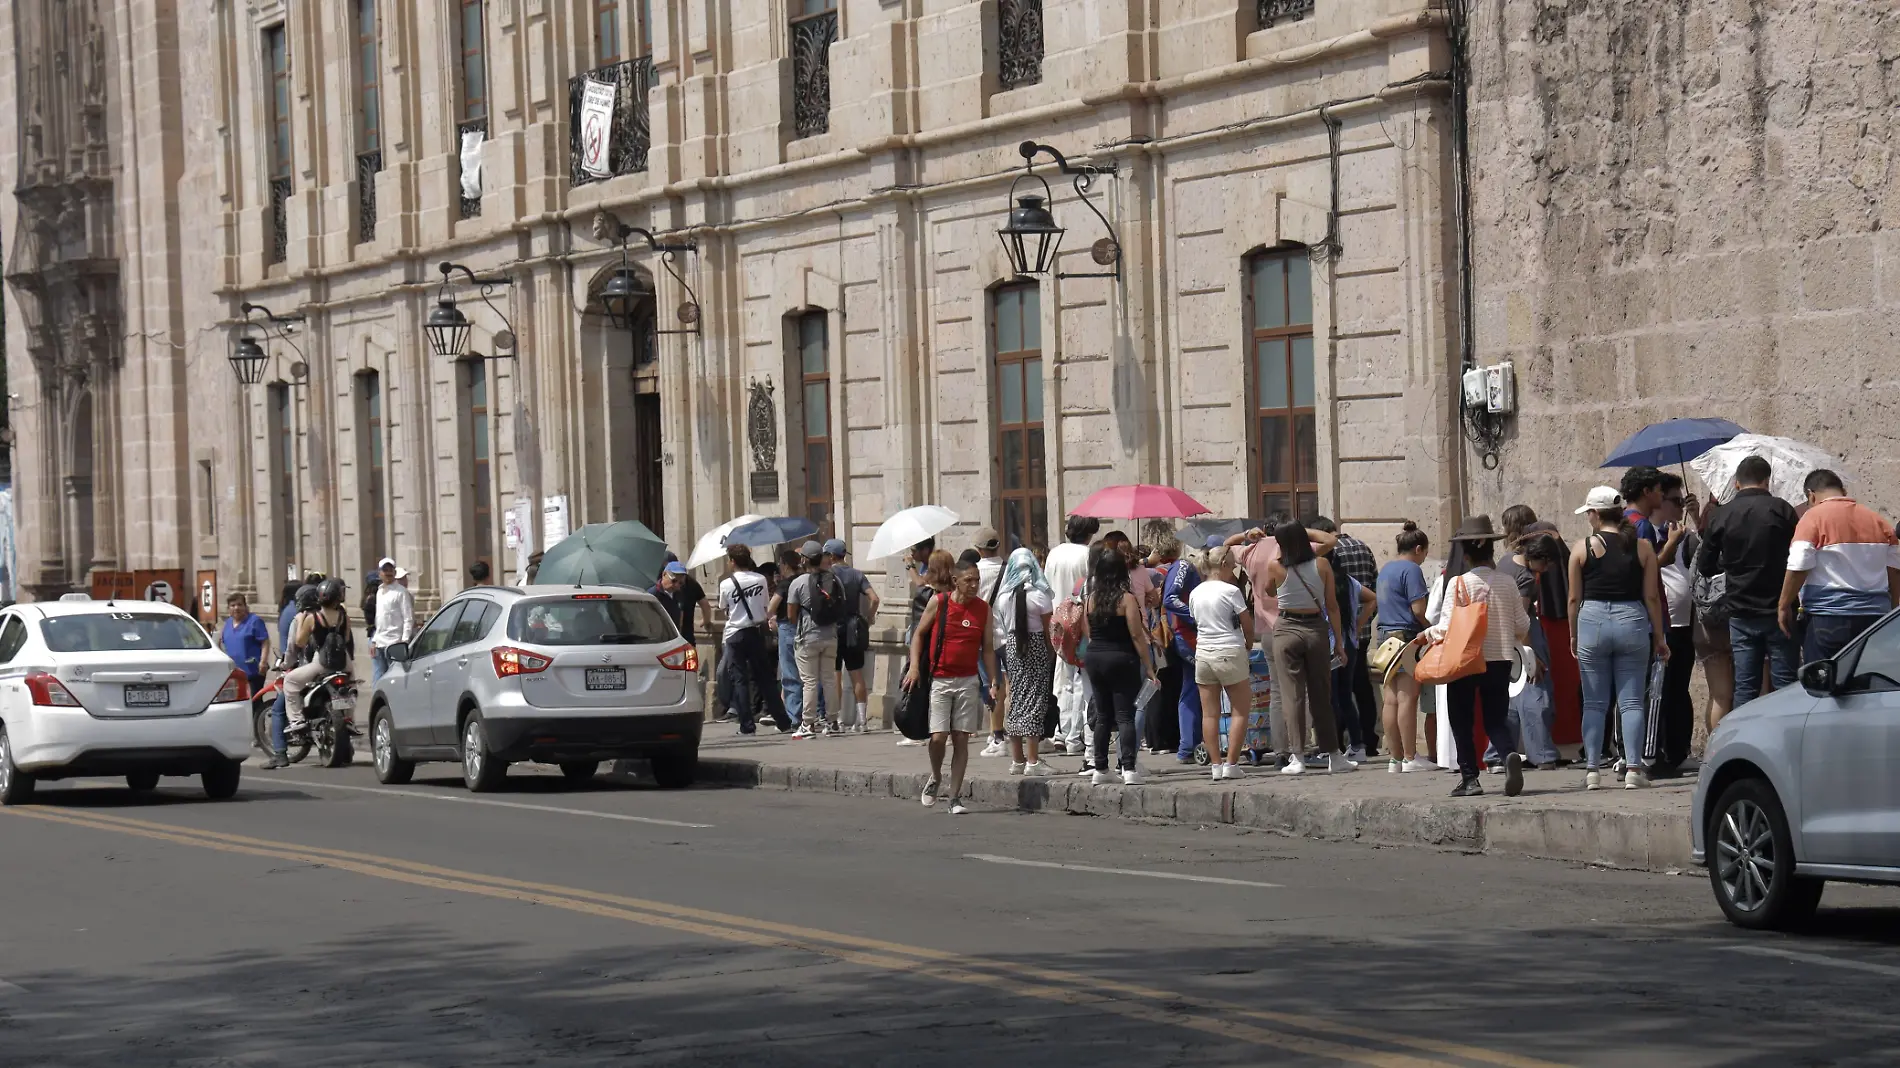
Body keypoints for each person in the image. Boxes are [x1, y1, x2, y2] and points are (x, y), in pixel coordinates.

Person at [1568, 486, 1669, 791]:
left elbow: (1574, 598)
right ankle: (1634, 769)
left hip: (1593, 621)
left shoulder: (1581, 548)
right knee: (1632, 702)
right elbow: (1651, 596)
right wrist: (1660, 638)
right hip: (1632, 621)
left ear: (1596, 515)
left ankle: (1592, 771)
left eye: (1588, 513)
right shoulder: (1643, 548)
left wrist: (1573, 634)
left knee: (1595, 703)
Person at [1427, 517, 1532, 797]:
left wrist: (1427, 636)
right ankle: (1508, 753)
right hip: (1500, 659)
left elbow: (1446, 626)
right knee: (1495, 719)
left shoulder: (1458, 584)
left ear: (1466, 554)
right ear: (1491, 551)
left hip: (1465, 661)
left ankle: (1470, 779)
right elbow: (1523, 625)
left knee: (1461, 719)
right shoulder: (1508, 583)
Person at [1696, 455, 1798, 708]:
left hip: (1741, 611)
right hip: (1780, 608)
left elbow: (1706, 566)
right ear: (1767, 481)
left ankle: (1743, 741)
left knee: (1746, 685)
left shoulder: (1721, 515)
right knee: (1786, 683)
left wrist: (1729, 564)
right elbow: (1800, 557)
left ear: (1737, 483)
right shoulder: (1783, 509)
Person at [904, 557, 996, 815]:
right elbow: (919, 634)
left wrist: (992, 681)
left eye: (977, 580)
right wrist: (913, 667)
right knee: (938, 738)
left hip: (968, 681)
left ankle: (954, 797)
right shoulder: (940, 602)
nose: (975, 585)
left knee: (961, 739)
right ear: (955, 581)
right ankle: (935, 776)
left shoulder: (983, 609)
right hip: (941, 679)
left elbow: (987, 649)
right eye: (969, 580)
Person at [1780, 469, 1900, 664]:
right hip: (1875, 618)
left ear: (1811, 495)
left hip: (1829, 617)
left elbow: (1799, 565)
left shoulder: (1812, 518)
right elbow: (1895, 570)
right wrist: (1894, 608)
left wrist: (1784, 605)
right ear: (1843, 491)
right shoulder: (1877, 520)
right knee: (1867, 683)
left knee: (1824, 685)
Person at [1263, 521, 1354, 775]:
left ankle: (1298, 757)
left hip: (1286, 628)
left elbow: (1268, 590)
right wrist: (1340, 643)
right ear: (1305, 538)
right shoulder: (1322, 564)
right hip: (1315, 628)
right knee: (1321, 695)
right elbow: (1332, 606)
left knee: (1292, 696)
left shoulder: (1275, 566)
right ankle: (1334, 755)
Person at [1081, 547, 1155, 785]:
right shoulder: (1127, 599)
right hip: (1122, 657)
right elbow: (1136, 635)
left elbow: (1089, 632)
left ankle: (1100, 768)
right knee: (1125, 716)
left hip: (1095, 657)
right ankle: (1129, 768)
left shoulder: (1091, 599)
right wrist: (1149, 665)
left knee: (1102, 715)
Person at [1308, 517, 1377, 760]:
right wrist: (1358, 625)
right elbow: (1372, 599)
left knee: (1330, 698)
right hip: (1350, 642)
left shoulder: (1319, 582)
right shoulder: (1349, 581)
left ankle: (1332, 747)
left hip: (1330, 643)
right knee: (1346, 695)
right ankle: (1356, 745)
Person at [1189, 546, 1254, 780]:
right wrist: (1247, 644)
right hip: (1229, 650)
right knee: (1240, 710)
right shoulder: (1231, 591)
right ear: (1224, 565)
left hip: (1203, 653)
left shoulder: (1196, 592)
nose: (1235, 568)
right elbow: (1247, 624)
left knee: (1209, 714)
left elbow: (1196, 620)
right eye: (1233, 564)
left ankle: (1215, 765)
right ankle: (1231, 764)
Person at [1375, 522, 1433, 772]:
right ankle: (1411, 756)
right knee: (1407, 697)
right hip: (1406, 637)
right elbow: (1419, 609)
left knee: (1390, 700)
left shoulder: (1386, 569)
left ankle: (1395, 758)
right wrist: (1431, 628)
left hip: (1385, 638)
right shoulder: (1411, 570)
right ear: (1418, 549)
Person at [1651, 478, 1699, 775]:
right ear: (1659, 501)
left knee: (1679, 689)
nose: (1680, 506)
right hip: (1663, 624)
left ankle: (1679, 751)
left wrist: (1694, 518)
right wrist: (1671, 543)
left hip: (1684, 623)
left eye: (1683, 501)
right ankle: (1657, 754)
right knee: (1660, 691)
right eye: (1676, 501)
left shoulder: (1683, 534)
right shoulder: (1649, 534)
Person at [996, 546, 1057, 775]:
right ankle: (1033, 761)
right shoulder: (1040, 595)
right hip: (1036, 646)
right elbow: (1047, 628)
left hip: (1013, 646)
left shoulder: (1003, 597)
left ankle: (1018, 760)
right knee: (1035, 699)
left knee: (1017, 697)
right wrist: (1050, 652)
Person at [718, 547, 791, 734]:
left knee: (740, 680)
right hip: (756, 631)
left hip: (735, 633)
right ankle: (783, 721)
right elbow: (765, 605)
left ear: (733, 561)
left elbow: (723, 607)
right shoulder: (760, 579)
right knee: (765, 678)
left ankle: (747, 726)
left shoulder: (727, 583)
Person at [1044, 516, 1097, 759]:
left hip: (1057, 621)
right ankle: (1077, 735)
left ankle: (1062, 732)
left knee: (1062, 680)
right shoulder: (1087, 555)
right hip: (1079, 620)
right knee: (1080, 681)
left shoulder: (1054, 553)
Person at [283, 578, 356, 744]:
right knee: (351, 688)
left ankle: (296, 720)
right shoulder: (344, 616)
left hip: (321, 663)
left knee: (290, 682)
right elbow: (345, 639)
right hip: (344, 662)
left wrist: (301, 620)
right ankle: (349, 719)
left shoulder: (313, 618)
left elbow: (300, 642)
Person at [787, 540, 846, 738]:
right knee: (829, 679)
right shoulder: (834, 579)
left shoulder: (798, 582)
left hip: (808, 636)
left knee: (810, 681)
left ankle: (808, 724)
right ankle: (833, 722)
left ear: (804, 559)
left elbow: (791, 614)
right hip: (831, 636)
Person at [825, 538, 880, 732]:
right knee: (857, 674)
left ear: (831, 556)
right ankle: (862, 720)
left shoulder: (827, 575)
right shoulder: (857, 574)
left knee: (835, 675)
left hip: (833, 628)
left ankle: (837, 720)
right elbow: (875, 598)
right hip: (854, 627)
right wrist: (868, 617)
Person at [1139, 531, 1185, 756]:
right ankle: (1165, 738)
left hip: (1149, 633)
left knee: (1153, 686)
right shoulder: (1167, 572)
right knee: (1168, 686)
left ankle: (1152, 738)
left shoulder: (1142, 571)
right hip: (1165, 636)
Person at [1162, 540, 1205, 764]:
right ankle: (1190, 746)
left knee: (1192, 688)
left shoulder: (1189, 570)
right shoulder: (1184, 567)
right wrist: (1196, 615)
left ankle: (1189, 746)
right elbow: (1170, 598)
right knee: (1200, 687)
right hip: (1186, 636)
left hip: (1188, 635)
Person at [768, 548, 817, 728]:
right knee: (810, 673)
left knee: (790, 673)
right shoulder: (808, 579)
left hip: (788, 627)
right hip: (809, 626)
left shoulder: (786, 583)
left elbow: (771, 608)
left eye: (780, 564)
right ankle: (814, 713)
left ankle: (794, 716)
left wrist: (771, 616)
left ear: (786, 565)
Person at [972, 528, 1009, 756]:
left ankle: (997, 736)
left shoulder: (974, 572)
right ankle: (1009, 733)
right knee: (1011, 686)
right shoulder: (1009, 569)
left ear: (978, 549)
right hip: (1008, 634)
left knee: (992, 687)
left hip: (984, 637)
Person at [218, 593, 272, 695]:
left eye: (239, 604)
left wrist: (263, 661)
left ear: (245, 606)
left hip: (253, 671)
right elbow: (223, 643)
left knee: (253, 701)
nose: (236, 608)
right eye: (233, 605)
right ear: (228, 608)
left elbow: (265, 641)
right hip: (234, 672)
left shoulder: (254, 621)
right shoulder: (228, 623)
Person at [370, 562, 415, 683]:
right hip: (380, 642)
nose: (388, 573)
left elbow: (408, 618)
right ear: (380, 573)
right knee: (379, 679)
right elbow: (379, 618)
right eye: (385, 570)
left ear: (394, 572)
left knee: (394, 680)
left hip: (394, 643)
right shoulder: (379, 592)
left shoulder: (401, 592)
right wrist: (374, 640)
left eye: (391, 570)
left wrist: (404, 640)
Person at [1621, 466, 1667, 550]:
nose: (1662, 494)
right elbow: (1647, 562)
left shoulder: (1619, 517)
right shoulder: (1643, 525)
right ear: (1647, 491)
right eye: (1659, 489)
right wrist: (1672, 543)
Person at [649, 561, 691, 637]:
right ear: (664, 574)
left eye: (680, 583)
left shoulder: (679, 594)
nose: (676, 585)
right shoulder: (652, 595)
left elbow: (681, 614)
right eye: (674, 580)